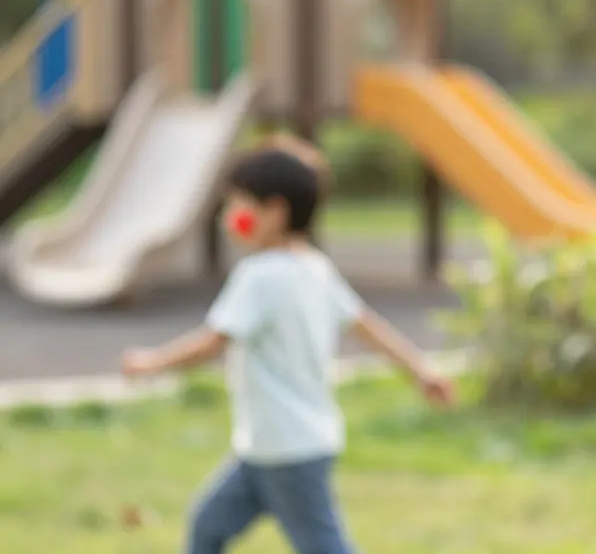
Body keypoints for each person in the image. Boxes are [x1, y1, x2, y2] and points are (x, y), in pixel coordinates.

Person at [120, 138, 455, 554]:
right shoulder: (314, 268)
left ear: (274, 212)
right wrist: (420, 369)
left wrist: (152, 363)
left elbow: (213, 342)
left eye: (237, 207)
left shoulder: (259, 275)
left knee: (322, 546)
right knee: (207, 526)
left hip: (286, 451)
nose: (228, 219)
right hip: (272, 446)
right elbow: (365, 323)